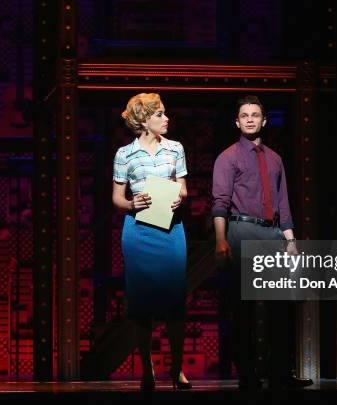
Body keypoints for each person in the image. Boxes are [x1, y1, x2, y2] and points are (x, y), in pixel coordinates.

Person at [212, 95, 314, 390]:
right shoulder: (228, 157)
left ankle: (280, 372)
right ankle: (247, 374)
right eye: (244, 115)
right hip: (242, 231)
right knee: (243, 308)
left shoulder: (275, 158)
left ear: (264, 120)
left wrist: (291, 240)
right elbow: (219, 202)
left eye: (255, 115)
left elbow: (283, 202)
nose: (249, 119)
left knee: (279, 307)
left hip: (272, 235)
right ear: (237, 121)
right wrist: (221, 241)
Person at [112, 93, 191, 391]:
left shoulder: (175, 148)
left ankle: (177, 369)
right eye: (159, 114)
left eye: (165, 113)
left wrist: (177, 196)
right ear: (144, 120)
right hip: (139, 230)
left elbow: (184, 189)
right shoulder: (125, 154)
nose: (166, 118)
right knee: (141, 303)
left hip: (171, 229)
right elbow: (117, 198)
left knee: (174, 301)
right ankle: (148, 370)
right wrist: (133, 204)